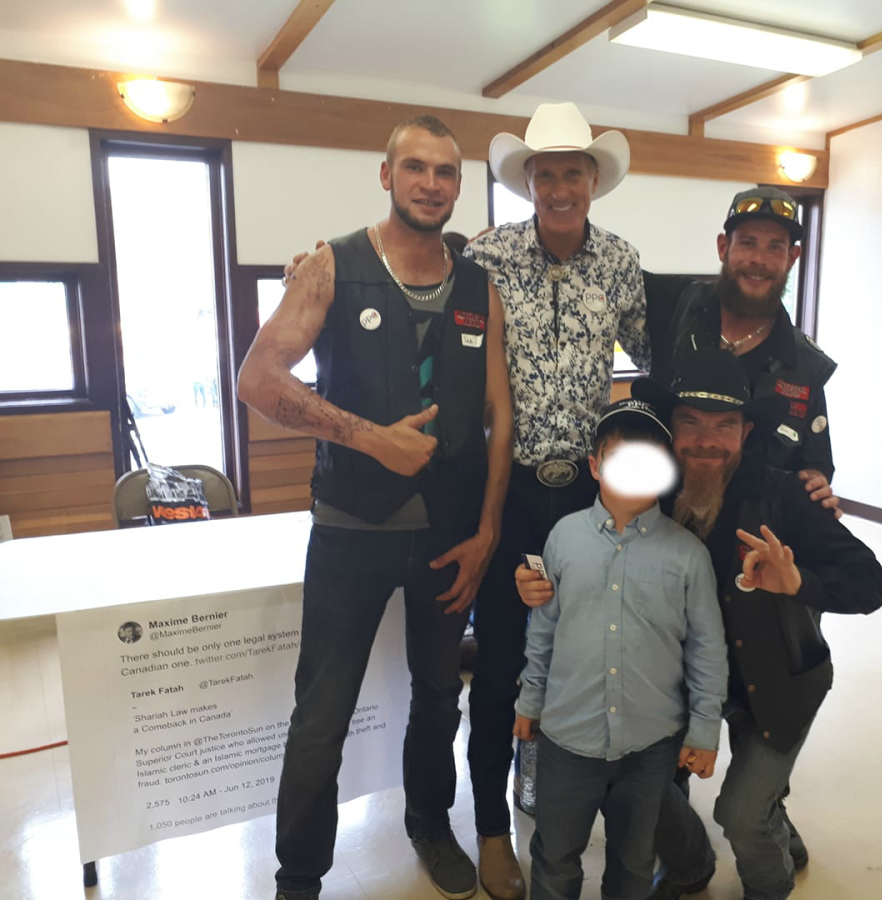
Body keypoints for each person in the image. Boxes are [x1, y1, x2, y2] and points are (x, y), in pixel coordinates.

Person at [237, 114, 513, 900]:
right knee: (321, 714)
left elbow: (499, 418)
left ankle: (430, 822)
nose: (432, 183)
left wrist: (489, 529)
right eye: (417, 168)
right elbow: (258, 380)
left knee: (438, 696)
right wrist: (368, 438)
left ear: (458, 188)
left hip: (449, 536)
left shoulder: (477, 285)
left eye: (447, 173)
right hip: (350, 534)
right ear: (386, 175)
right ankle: (300, 876)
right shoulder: (331, 267)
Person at [516, 349, 882, 900]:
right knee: (646, 783)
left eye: (724, 426)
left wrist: (798, 582)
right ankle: (692, 865)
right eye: (690, 423)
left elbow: (871, 582)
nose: (705, 440)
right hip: (677, 687)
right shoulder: (650, 488)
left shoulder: (785, 495)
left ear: (746, 431)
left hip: (775, 683)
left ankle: (770, 863)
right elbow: (565, 547)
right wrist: (530, 581)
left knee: (739, 814)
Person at [460, 101, 653, 900]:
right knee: (503, 662)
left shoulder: (621, 262)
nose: (561, 186)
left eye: (574, 172)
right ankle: (493, 832)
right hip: (508, 487)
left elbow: (631, 367)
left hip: (587, 491)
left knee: (585, 655)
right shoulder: (485, 255)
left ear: (593, 181)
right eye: (547, 173)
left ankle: (564, 805)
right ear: (529, 182)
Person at [514, 398, 728, 900]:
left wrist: (704, 729)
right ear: (594, 465)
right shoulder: (563, 539)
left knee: (633, 862)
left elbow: (706, 651)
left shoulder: (689, 556)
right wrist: (530, 701)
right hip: (568, 739)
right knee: (556, 854)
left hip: (650, 745)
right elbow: (543, 630)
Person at [644, 187, 842, 517]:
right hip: (656, 526)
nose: (759, 260)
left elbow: (815, 466)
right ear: (724, 248)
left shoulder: (806, 366)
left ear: (792, 258)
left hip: (747, 542)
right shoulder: (672, 304)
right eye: (747, 242)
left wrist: (816, 482)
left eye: (774, 247)